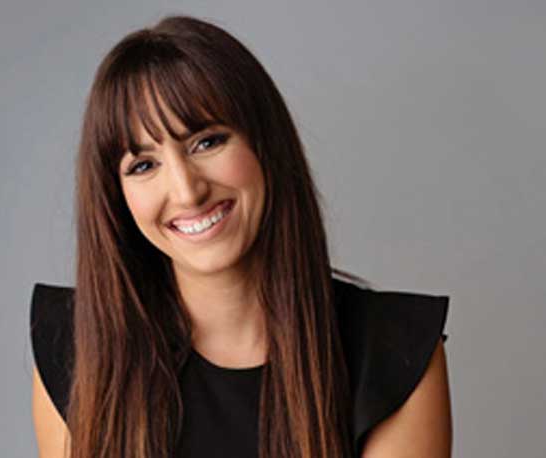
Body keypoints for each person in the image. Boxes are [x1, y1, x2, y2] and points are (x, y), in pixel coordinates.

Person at [29, 14, 451, 458]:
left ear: (264, 143)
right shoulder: (73, 346)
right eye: (143, 165)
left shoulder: (392, 353)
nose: (187, 191)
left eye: (206, 142)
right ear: (116, 197)